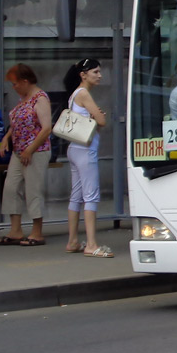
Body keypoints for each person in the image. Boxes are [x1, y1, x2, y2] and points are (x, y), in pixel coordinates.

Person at [0, 63, 52, 246]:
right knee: (11, 187)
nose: (14, 88)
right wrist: (7, 137)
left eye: (15, 83)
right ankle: (15, 230)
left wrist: (30, 149)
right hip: (19, 151)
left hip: (35, 151)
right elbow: (18, 123)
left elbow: (46, 129)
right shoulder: (24, 99)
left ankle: (37, 232)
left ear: (25, 81)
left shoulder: (40, 98)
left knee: (33, 190)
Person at [62, 58, 112, 257]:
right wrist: (99, 117)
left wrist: (95, 117)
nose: (99, 75)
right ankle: (91, 244)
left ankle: (73, 241)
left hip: (74, 148)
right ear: (83, 75)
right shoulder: (84, 93)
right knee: (91, 196)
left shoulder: (75, 94)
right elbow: (101, 121)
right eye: (96, 72)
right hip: (86, 149)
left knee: (76, 196)